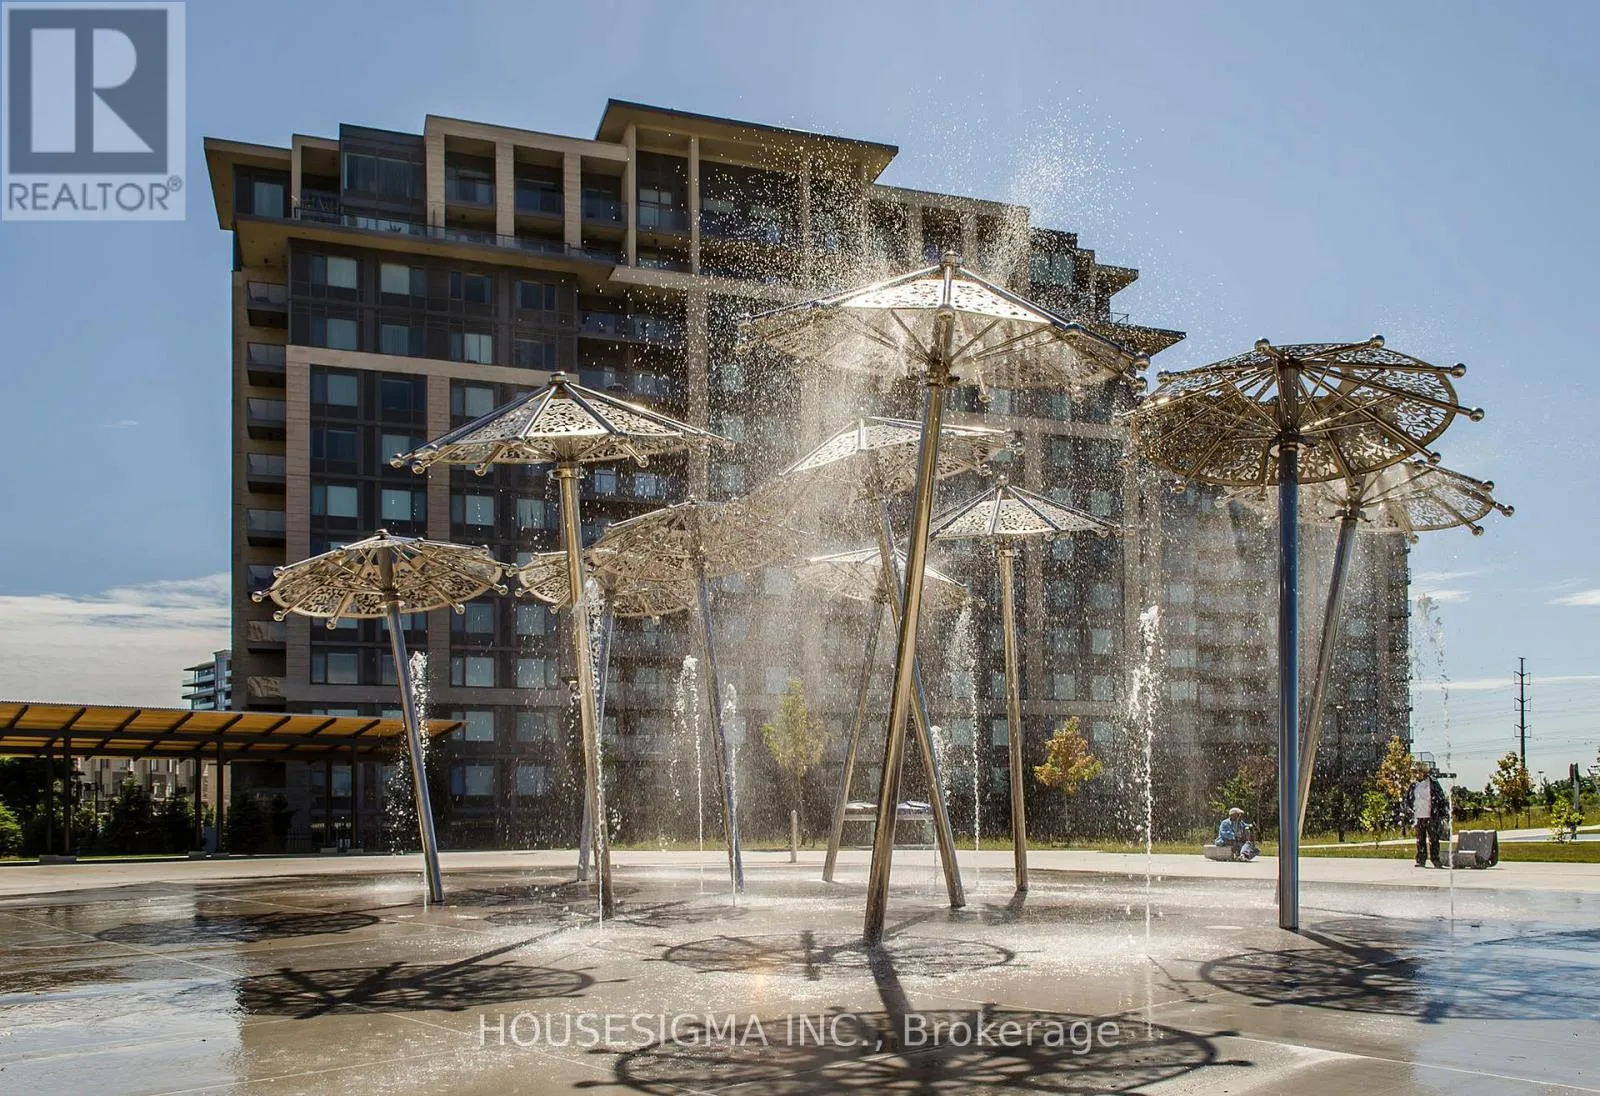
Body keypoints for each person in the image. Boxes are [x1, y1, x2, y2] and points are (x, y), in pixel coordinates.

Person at [1404, 762, 1448, 868]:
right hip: (1418, 816)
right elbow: (1408, 799)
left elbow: (1441, 797)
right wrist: (1408, 809)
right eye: (1415, 772)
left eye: (1418, 771)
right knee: (1420, 840)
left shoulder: (1433, 782)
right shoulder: (1413, 785)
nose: (1417, 774)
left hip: (1431, 815)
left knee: (1434, 839)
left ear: (1424, 772)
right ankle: (1421, 860)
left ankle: (1436, 860)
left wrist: (1442, 812)